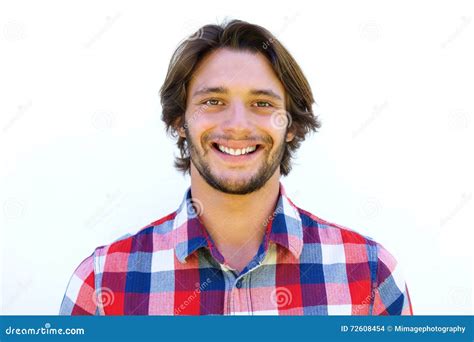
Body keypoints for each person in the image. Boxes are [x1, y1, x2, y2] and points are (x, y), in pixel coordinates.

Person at [60, 19, 412, 315]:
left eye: (262, 103)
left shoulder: (370, 277)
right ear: (180, 121)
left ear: (290, 125)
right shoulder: (102, 284)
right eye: (213, 101)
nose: (238, 124)